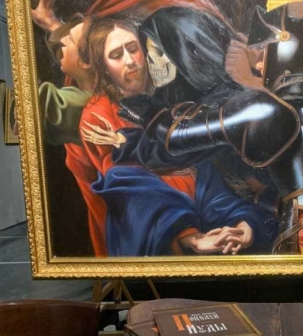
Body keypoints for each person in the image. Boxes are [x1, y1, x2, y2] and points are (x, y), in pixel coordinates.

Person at [119, 2, 303, 255]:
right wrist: (262, 198)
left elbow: (175, 136)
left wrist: (147, 110)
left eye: (264, 53)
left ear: (285, 53)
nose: (259, 65)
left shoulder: (265, 108)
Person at [78, 17, 269, 256]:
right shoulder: (98, 113)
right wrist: (190, 236)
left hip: (206, 197)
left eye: (133, 48)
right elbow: (126, 185)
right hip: (156, 216)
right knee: (121, 175)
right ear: (104, 66)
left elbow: (201, 165)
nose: (129, 60)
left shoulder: (169, 93)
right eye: (116, 55)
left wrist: (243, 223)